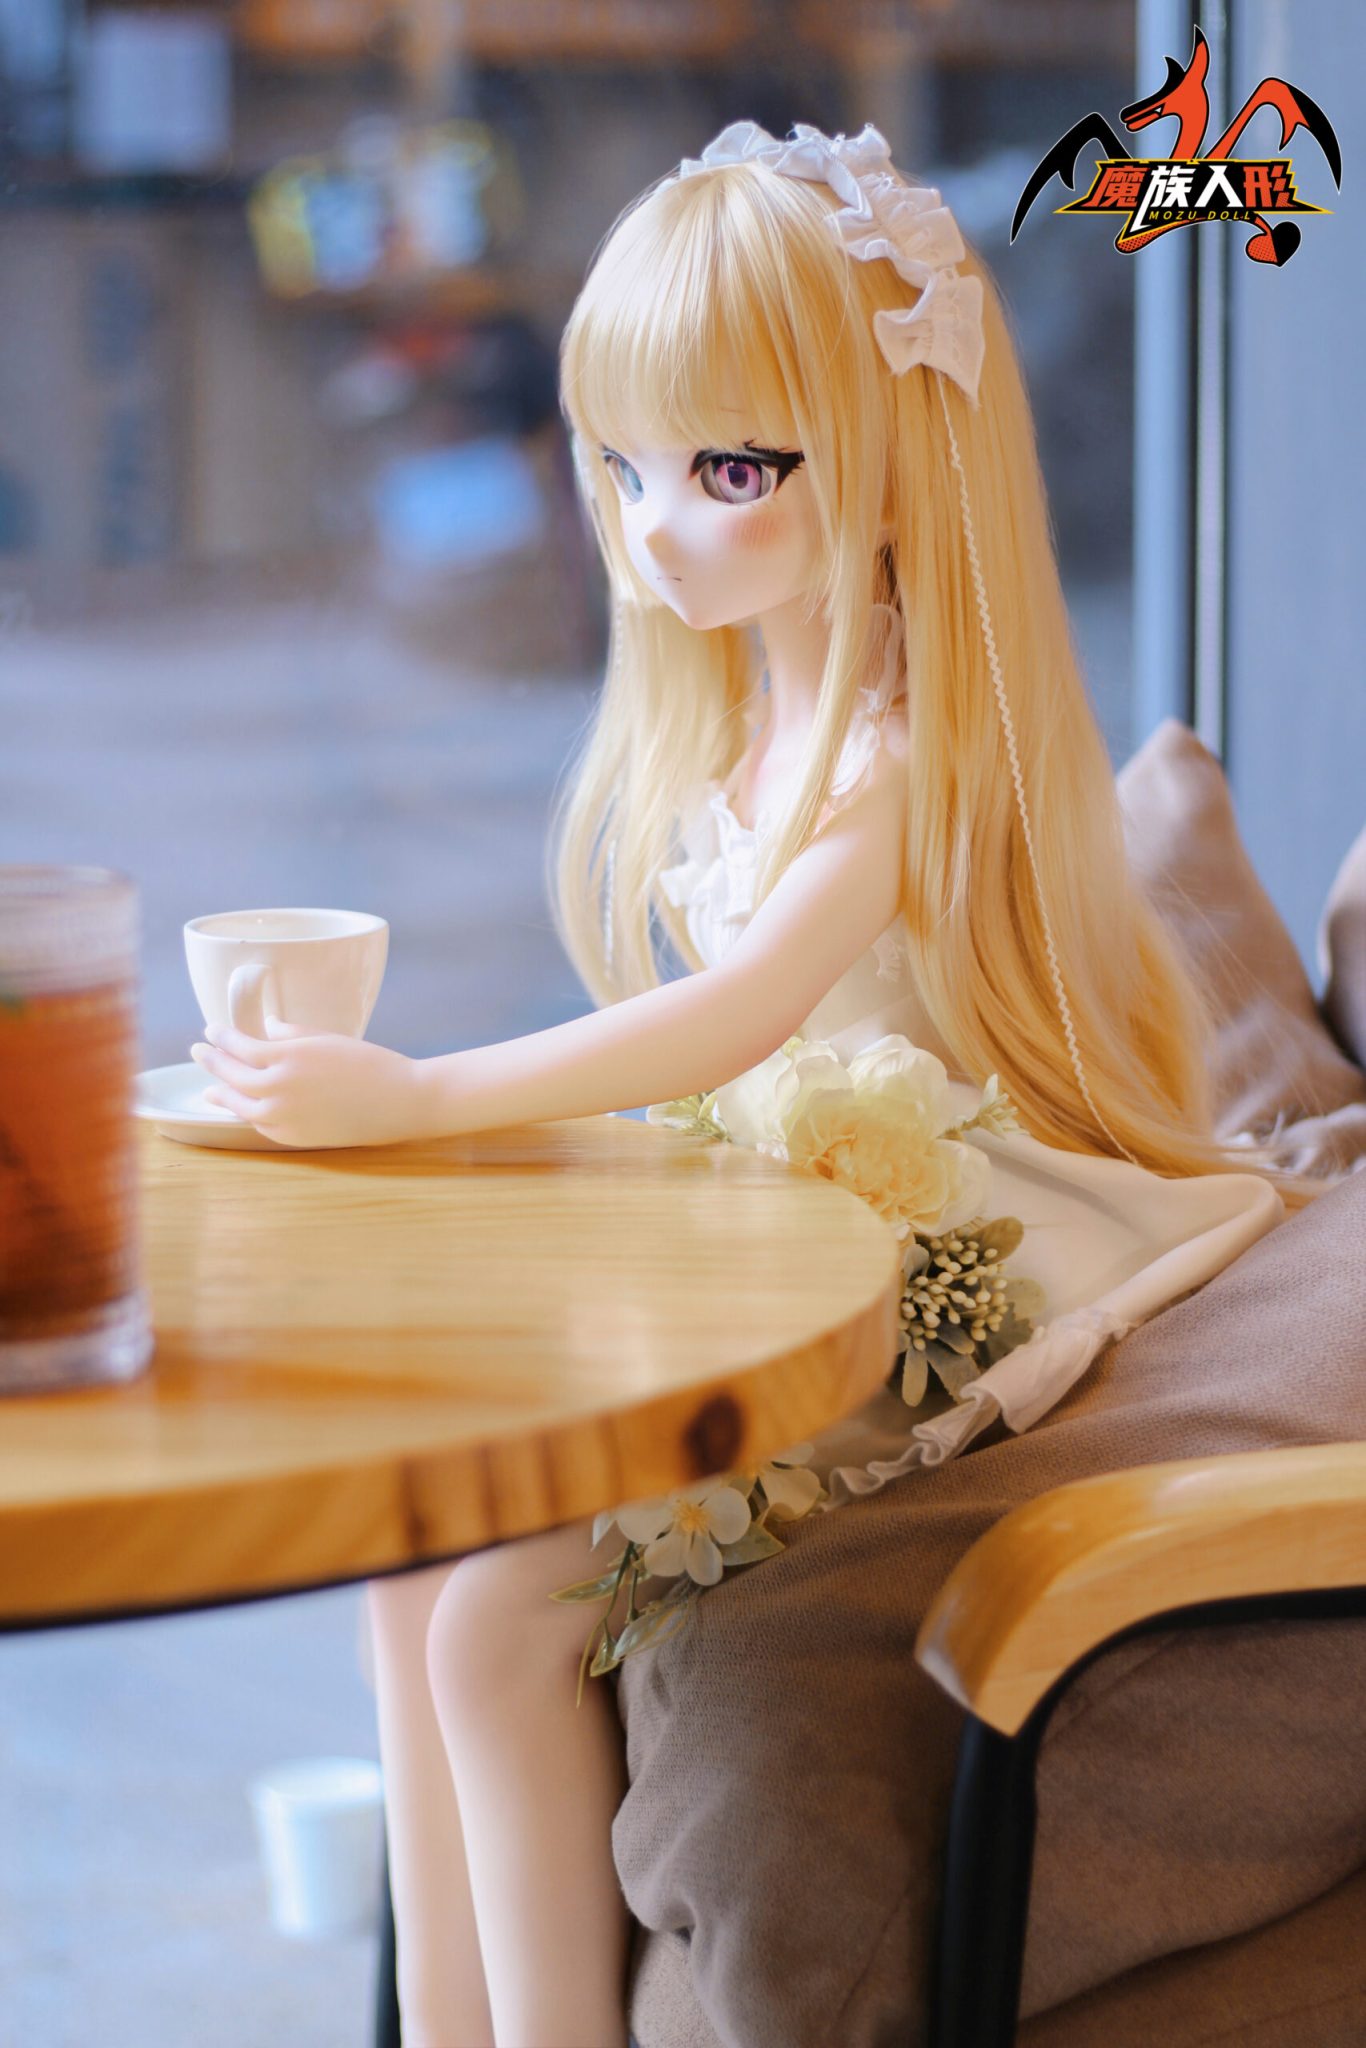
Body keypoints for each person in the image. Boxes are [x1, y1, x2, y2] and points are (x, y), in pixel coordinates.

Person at [189, 121, 1320, 2047]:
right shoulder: (751, 716)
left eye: (730, 471)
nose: (655, 527)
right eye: (622, 468)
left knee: (498, 1610)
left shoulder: (896, 747)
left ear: (890, 464)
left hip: (921, 1244)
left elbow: (732, 1020)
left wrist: (422, 1098)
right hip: (782, 1200)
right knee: (408, 1567)